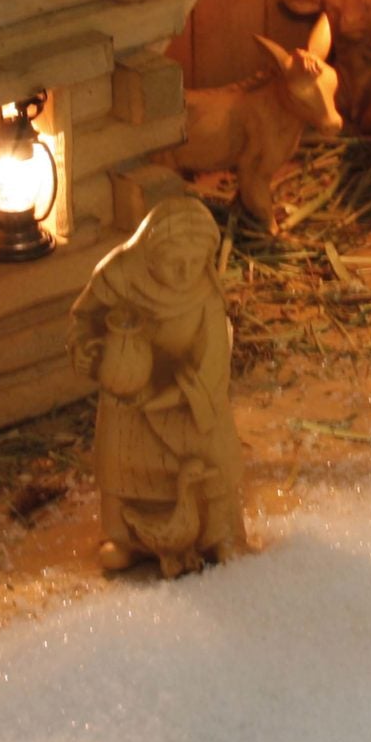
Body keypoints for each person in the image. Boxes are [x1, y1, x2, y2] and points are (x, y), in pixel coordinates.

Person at [67, 198, 245, 575]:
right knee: (121, 456)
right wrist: (87, 349)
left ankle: (219, 533)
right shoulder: (118, 276)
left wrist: (174, 396)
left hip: (188, 395)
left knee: (212, 453)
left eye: (195, 262)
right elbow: (85, 318)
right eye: (175, 262)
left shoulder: (205, 292)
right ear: (151, 253)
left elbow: (214, 357)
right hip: (130, 391)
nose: (185, 273)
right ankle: (122, 536)